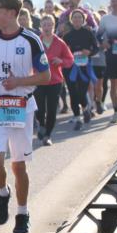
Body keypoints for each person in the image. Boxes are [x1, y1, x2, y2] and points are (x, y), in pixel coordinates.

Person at [0, 0, 51, 233]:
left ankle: (22, 213)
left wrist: (20, 80)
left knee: (19, 166)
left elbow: (45, 76)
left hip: (21, 107)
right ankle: (2, 192)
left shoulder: (31, 40)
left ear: (12, 13)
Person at [35, 15, 73, 144]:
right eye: (44, 25)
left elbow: (70, 59)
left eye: (49, 25)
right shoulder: (36, 42)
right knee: (39, 109)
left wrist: (60, 61)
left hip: (55, 81)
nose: (47, 27)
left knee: (52, 109)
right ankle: (41, 124)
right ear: (41, 27)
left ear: (54, 26)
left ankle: (48, 135)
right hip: (39, 80)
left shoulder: (60, 42)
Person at [62, 9, 100, 131]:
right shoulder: (67, 36)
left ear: (83, 20)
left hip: (84, 67)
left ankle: (85, 109)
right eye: (75, 17)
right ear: (71, 20)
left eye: (79, 17)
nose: (77, 19)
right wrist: (70, 54)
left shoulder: (88, 33)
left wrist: (89, 52)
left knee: (82, 92)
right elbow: (62, 51)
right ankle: (78, 117)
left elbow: (96, 48)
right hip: (70, 68)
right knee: (73, 93)